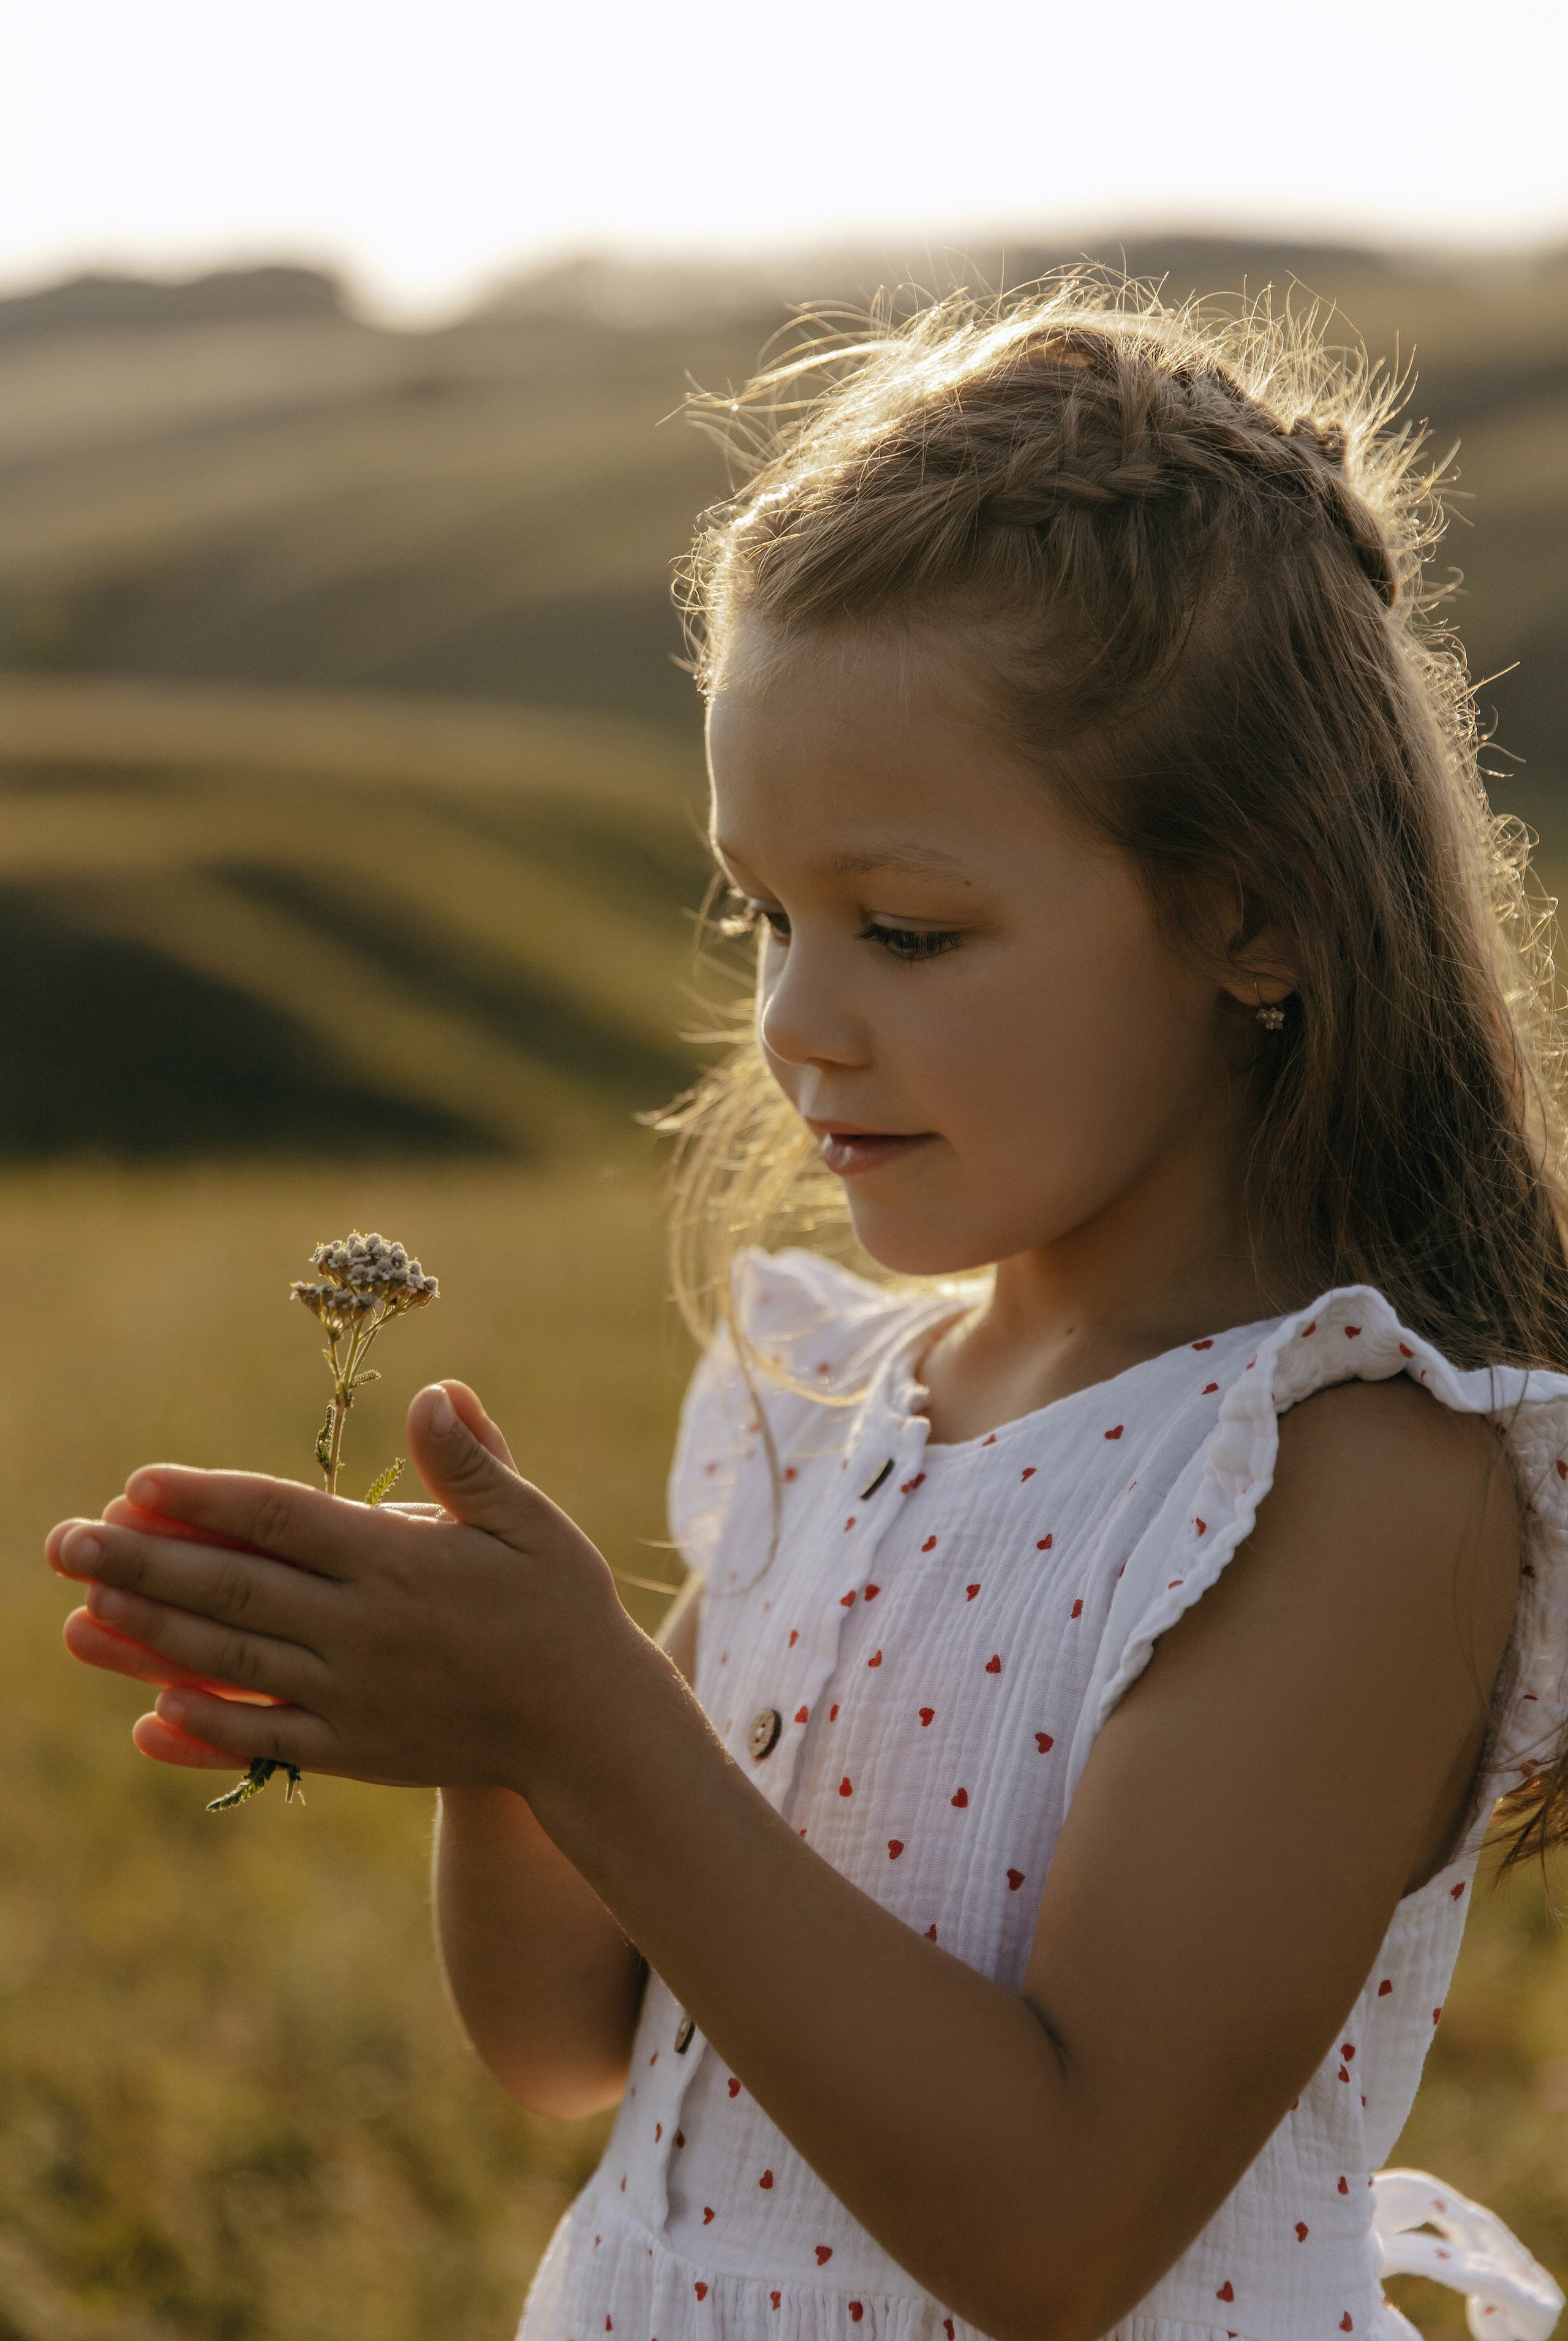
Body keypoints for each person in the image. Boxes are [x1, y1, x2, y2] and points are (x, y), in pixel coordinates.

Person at [46, 276, 1568, 2341]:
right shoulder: (842, 1398)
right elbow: (574, 2045)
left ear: (1258, 915)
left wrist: (591, 1719)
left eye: (907, 929)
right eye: (761, 911)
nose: (793, 1020)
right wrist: (513, 1729)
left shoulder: (1344, 1477)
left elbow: (1059, 2227)